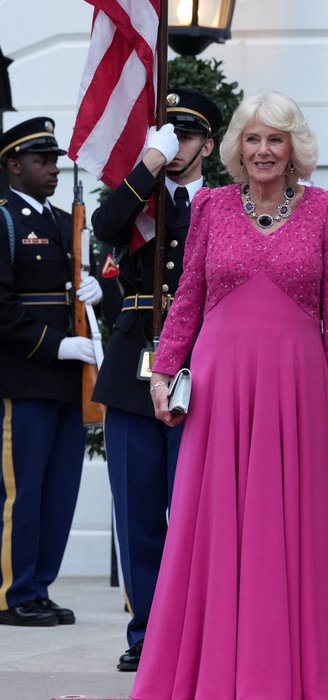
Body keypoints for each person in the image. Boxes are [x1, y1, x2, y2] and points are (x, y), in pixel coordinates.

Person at [131, 92, 328, 699]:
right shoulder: (209, 206)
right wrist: (163, 372)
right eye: (253, 139)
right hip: (219, 385)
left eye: (276, 140)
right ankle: (206, 671)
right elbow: (188, 298)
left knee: (293, 530)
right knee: (211, 526)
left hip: (296, 384)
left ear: (294, 150)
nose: (263, 151)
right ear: (237, 147)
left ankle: (296, 673)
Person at [89, 87, 221, 671]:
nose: (176, 145)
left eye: (187, 136)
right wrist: (146, 165)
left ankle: (195, 630)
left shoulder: (224, 203)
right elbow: (105, 224)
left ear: (208, 146)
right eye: (170, 135)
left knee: (197, 512)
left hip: (203, 366)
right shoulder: (140, 198)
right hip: (133, 364)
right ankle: (146, 631)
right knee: (138, 510)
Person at [0, 117, 103, 627]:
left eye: (55, 161)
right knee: (22, 492)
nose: (52, 170)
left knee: (59, 490)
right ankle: (11, 593)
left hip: (67, 381)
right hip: (24, 378)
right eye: (41, 161)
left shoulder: (67, 223)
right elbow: (1, 310)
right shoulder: (5, 223)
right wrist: (58, 345)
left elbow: (89, 281)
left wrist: (100, 290)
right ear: (13, 165)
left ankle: (38, 586)